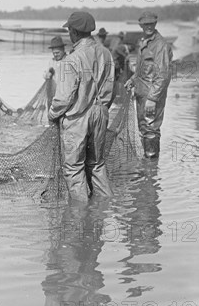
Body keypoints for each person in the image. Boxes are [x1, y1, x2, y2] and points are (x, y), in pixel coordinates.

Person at [49, 12, 114, 200]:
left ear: (74, 32)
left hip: (78, 117)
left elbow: (63, 99)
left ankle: (80, 216)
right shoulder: (106, 53)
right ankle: (103, 211)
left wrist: (52, 114)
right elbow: (111, 88)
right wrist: (100, 109)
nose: (69, 33)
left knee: (74, 168)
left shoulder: (71, 59)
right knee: (97, 164)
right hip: (101, 112)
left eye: (69, 29)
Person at [125, 11, 173, 159]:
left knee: (151, 130)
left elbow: (163, 75)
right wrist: (133, 79)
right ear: (141, 25)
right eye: (146, 24)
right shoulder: (143, 41)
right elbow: (143, 68)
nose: (149, 27)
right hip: (141, 94)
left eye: (151, 24)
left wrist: (152, 98)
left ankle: (151, 170)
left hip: (152, 95)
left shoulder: (161, 45)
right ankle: (148, 168)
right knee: (144, 129)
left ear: (156, 24)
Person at [43, 36, 67, 109]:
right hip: (52, 94)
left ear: (63, 50)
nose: (55, 55)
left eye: (57, 52)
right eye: (54, 53)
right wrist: (47, 75)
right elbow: (44, 75)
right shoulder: (51, 61)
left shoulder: (68, 60)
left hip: (64, 95)